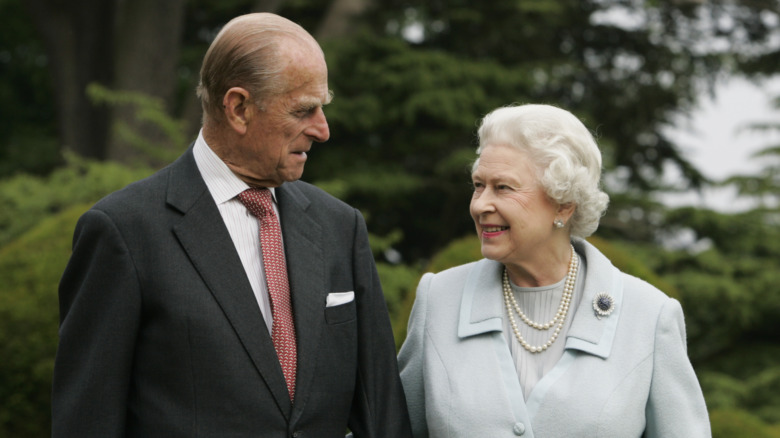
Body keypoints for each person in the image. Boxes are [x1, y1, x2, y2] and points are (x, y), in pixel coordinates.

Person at [52, 13, 412, 437]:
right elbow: (87, 422)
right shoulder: (123, 232)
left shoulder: (341, 227)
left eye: (322, 108)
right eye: (303, 110)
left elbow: (383, 415)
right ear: (238, 108)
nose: (322, 130)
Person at [397, 104, 711, 437]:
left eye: (503, 187)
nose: (480, 205)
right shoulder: (439, 299)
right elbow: (391, 428)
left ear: (563, 203)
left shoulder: (649, 316)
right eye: (478, 185)